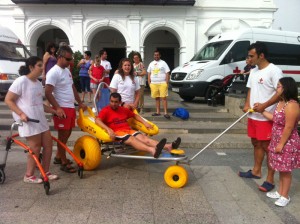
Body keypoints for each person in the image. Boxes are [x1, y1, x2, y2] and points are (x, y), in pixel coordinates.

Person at [5, 56, 58, 183]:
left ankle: (45, 171)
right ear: (31, 67)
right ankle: (28, 175)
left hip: (40, 119)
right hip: (28, 120)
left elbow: (40, 104)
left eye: (42, 66)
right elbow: (8, 99)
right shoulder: (21, 81)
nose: (41, 68)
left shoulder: (38, 83)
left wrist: (54, 111)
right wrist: (21, 114)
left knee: (48, 144)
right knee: (35, 147)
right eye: (39, 65)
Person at [238, 42, 283, 192]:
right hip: (254, 116)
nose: (248, 59)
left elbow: (280, 93)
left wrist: (264, 106)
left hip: (267, 117)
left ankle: (270, 180)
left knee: (268, 148)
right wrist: (246, 104)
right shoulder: (254, 71)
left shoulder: (274, 71)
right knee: (256, 143)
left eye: (251, 56)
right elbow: (250, 90)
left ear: (261, 55)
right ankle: (256, 171)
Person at [95, 92, 181, 158]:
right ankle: (152, 150)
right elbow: (97, 120)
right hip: (118, 132)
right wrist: (108, 129)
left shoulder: (123, 109)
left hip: (128, 130)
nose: (113, 104)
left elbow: (135, 115)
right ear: (109, 101)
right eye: (112, 101)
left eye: (116, 102)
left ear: (120, 102)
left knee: (145, 139)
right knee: (132, 139)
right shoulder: (106, 110)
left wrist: (145, 123)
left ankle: (168, 146)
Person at [45, 45, 87, 173]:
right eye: (68, 59)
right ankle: (63, 162)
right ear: (60, 57)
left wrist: (80, 102)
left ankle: (59, 156)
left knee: (68, 133)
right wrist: (57, 108)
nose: (70, 62)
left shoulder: (67, 70)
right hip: (61, 107)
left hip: (69, 107)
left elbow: (72, 87)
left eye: (71, 59)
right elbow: (47, 92)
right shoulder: (53, 72)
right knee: (62, 136)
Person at [262, 77, 300, 207]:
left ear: (286, 88)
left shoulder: (292, 105)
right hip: (278, 139)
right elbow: (275, 119)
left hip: (287, 141)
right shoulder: (281, 103)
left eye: (278, 86)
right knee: (280, 168)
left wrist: (281, 144)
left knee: (286, 171)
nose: (276, 88)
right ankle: (280, 192)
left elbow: (289, 127)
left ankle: (285, 196)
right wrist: (262, 111)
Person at [147, 50, 171, 119]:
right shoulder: (151, 63)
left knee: (164, 98)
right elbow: (149, 73)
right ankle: (158, 112)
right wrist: (149, 82)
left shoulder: (163, 63)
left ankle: (166, 113)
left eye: (157, 55)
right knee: (157, 98)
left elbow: (167, 72)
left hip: (162, 83)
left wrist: (166, 82)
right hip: (154, 84)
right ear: (153, 56)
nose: (156, 56)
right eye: (155, 55)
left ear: (160, 55)